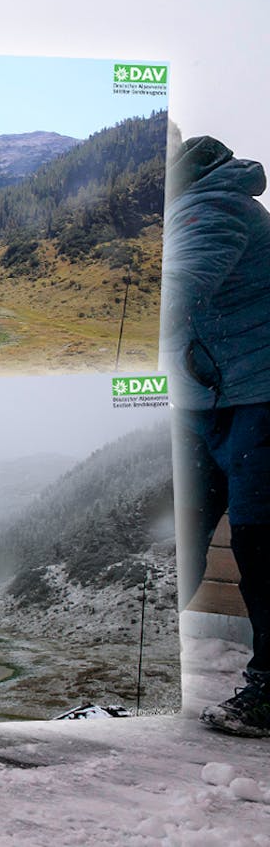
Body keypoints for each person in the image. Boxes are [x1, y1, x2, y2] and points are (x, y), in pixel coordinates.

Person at [162, 135, 270, 737]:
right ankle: (129, 667)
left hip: (259, 398)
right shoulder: (174, 207)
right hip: (206, 399)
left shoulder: (214, 203)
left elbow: (176, 289)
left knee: (260, 545)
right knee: (179, 537)